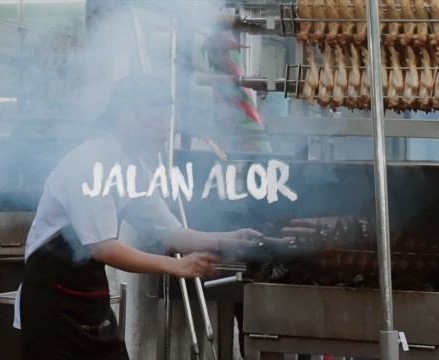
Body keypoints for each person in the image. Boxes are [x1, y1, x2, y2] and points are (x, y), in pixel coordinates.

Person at [13, 73, 262, 360]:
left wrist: (227, 239)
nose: (164, 128)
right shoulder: (90, 162)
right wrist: (175, 266)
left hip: (89, 301)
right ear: (126, 115)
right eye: (156, 118)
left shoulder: (133, 168)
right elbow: (104, 247)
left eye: (167, 119)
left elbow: (172, 233)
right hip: (52, 308)